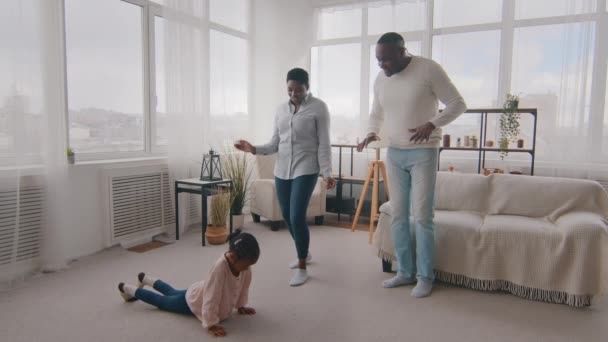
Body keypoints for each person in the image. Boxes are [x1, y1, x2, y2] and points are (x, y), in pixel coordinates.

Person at [357, 32, 466, 298]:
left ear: (402, 51)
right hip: (394, 152)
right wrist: (372, 132)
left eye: (386, 59)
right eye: (378, 60)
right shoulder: (381, 79)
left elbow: (458, 103)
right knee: (398, 215)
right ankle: (404, 272)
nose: (382, 65)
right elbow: (376, 113)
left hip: (424, 152)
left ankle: (425, 276)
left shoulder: (428, 69)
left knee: (423, 217)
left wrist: (433, 123)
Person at [234, 68, 335, 287]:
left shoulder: (319, 108)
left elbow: (324, 143)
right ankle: (304, 251)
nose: (293, 94)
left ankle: (302, 267)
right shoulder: (280, 110)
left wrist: (327, 173)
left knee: (297, 216)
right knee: (288, 217)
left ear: (307, 87)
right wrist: (253, 148)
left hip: (307, 168)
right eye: (290, 90)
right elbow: (274, 143)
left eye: (298, 90)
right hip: (282, 169)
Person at [117, 229, 260, 337]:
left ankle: (144, 278)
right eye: (247, 264)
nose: (248, 268)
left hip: (197, 291)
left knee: (172, 292)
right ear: (234, 257)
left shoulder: (244, 268)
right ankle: (126, 289)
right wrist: (211, 324)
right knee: (162, 301)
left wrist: (241, 305)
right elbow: (211, 297)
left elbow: (243, 287)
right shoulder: (220, 268)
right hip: (193, 303)